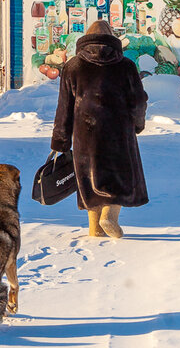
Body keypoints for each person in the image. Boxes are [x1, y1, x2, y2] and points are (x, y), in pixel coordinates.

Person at [50, 20, 149, 238]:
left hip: (85, 136)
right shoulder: (126, 66)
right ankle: (109, 217)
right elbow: (139, 101)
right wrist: (138, 124)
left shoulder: (73, 66)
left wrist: (61, 141)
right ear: (112, 39)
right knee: (118, 179)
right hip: (119, 134)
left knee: (89, 179)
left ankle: (95, 229)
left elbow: (64, 107)